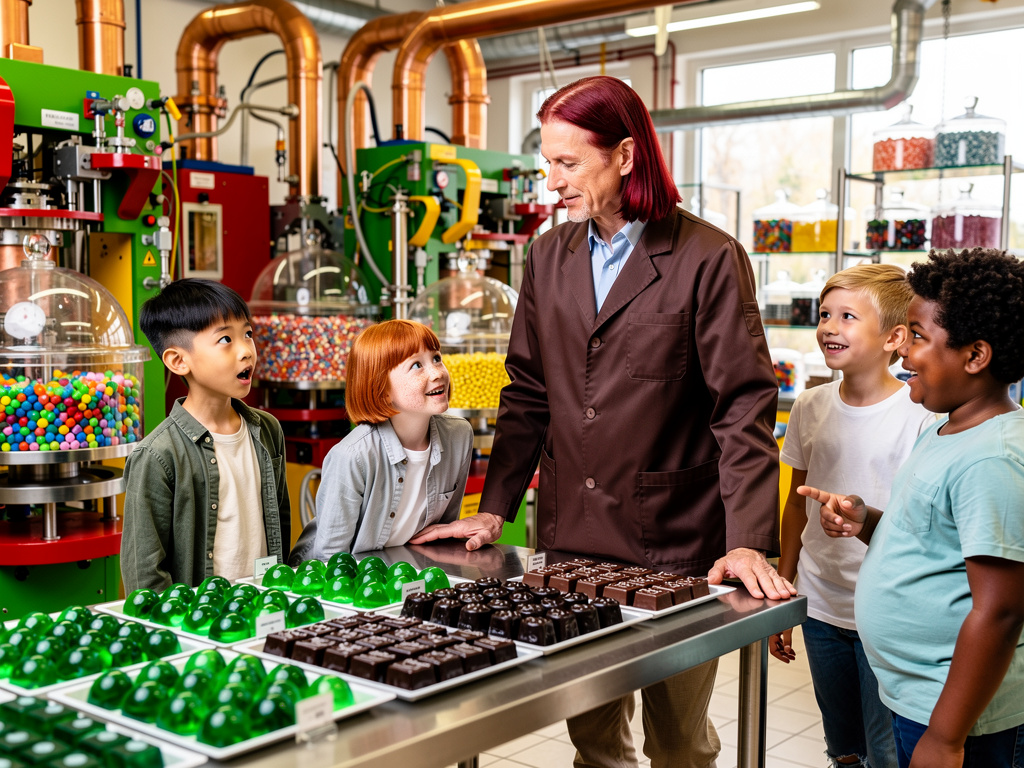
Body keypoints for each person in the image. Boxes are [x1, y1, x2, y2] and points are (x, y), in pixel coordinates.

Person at [411, 75, 795, 768]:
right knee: (593, 737)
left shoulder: (707, 257)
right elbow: (527, 392)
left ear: (624, 155)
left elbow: (742, 405)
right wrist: (493, 508)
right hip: (572, 539)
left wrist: (747, 542)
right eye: (545, 164)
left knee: (678, 740)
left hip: (674, 543)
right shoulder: (549, 257)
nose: (551, 182)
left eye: (567, 163)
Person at [801, 248, 1024, 768]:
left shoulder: (991, 458)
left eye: (918, 337)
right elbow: (930, 542)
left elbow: (1001, 609)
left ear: (975, 356)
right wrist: (867, 522)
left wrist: (946, 737)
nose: (903, 352)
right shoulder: (947, 430)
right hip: (918, 699)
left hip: (963, 718)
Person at [771, 263, 933, 768]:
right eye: (824, 315)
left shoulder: (922, 412)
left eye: (847, 316)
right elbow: (795, 503)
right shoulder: (810, 406)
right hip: (820, 604)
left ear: (895, 337)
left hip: (885, 613)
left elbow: (918, 518)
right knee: (842, 746)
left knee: (885, 751)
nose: (829, 327)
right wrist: (785, 583)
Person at [121, 278, 290, 592]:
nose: (246, 351)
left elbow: (279, 524)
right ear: (178, 361)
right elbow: (145, 578)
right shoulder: (157, 456)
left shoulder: (267, 430)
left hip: (266, 607)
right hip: (200, 622)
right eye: (226, 339)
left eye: (248, 334)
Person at [289, 320, 473, 560]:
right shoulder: (353, 456)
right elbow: (330, 559)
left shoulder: (459, 436)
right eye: (416, 365)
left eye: (437, 358)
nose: (437, 373)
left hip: (397, 571)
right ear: (382, 388)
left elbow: (442, 536)